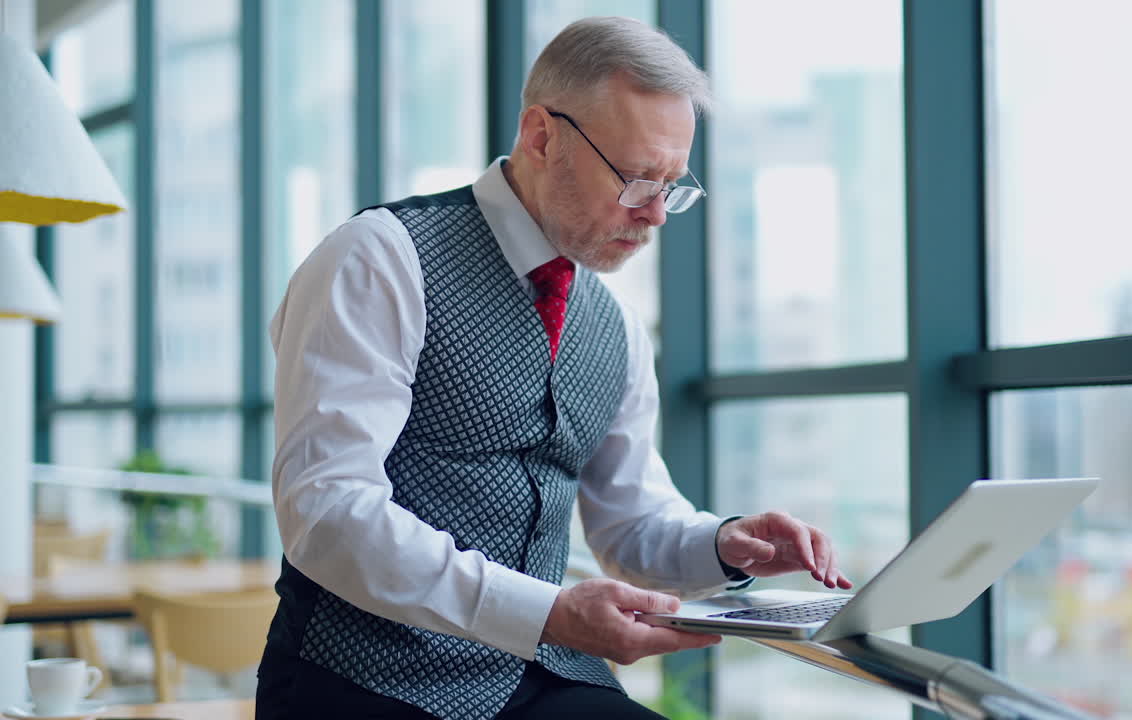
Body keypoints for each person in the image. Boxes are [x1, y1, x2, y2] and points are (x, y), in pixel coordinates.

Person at [256, 16, 853, 720]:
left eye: (672, 185)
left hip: (544, 678)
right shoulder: (379, 259)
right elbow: (328, 513)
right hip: (363, 681)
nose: (657, 214)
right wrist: (547, 613)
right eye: (636, 179)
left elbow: (631, 524)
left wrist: (726, 545)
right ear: (541, 136)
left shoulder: (616, 327)